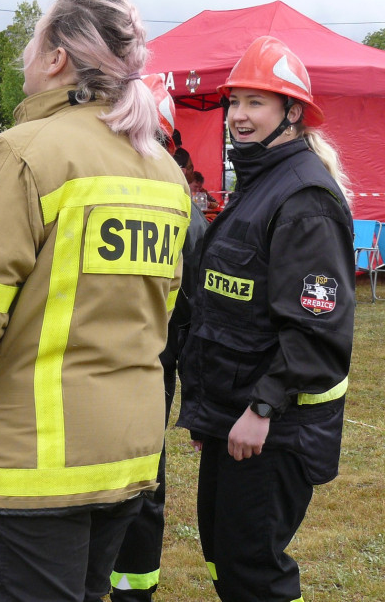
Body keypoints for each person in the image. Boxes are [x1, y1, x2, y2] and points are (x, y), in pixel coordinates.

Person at [0, 0, 191, 602]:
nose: (24, 55)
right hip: (125, 455)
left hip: (33, 461)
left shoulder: (24, 154)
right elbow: (160, 310)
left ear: (60, 58)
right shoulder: (162, 171)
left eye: (34, 41)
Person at [178, 35, 355, 602]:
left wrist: (260, 409)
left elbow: (314, 326)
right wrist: (213, 413)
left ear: (293, 112)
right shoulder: (259, 184)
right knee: (226, 559)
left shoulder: (303, 197)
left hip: (274, 428)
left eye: (256, 102)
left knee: (254, 571)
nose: (239, 116)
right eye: (235, 102)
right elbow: (227, 310)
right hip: (233, 420)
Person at [110, 78, 209, 601]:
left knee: (136, 487)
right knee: (140, 484)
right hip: (146, 371)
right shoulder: (181, 207)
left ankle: (131, 587)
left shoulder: (179, 211)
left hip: (134, 369)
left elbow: (194, 317)